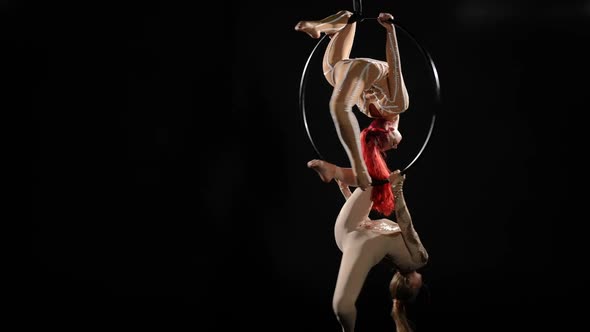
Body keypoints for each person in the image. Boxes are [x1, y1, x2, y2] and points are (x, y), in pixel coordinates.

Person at [308, 159, 428, 332]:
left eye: (419, 288)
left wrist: (398, 190)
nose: (422, 282)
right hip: (350, 229)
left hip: (355, 239)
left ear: (412, 285)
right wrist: (345, 189)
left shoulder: (420, 260)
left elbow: (407, 227)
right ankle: (334, 171)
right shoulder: (396, 257)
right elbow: (370, 223)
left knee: (342, 306)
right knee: (376, 177)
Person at [296, 10, 410, 191]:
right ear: (388, 129)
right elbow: (396, 68)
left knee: (349, 17)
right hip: (353, 71)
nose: (394, 148)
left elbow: (351, 89)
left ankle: (320, 27)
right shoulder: (397, 105)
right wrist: (390, 30)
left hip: (338, 71)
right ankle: (320, 27)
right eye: (390, 145)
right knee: (351, 17)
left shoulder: (371, 110)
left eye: (386, 145)